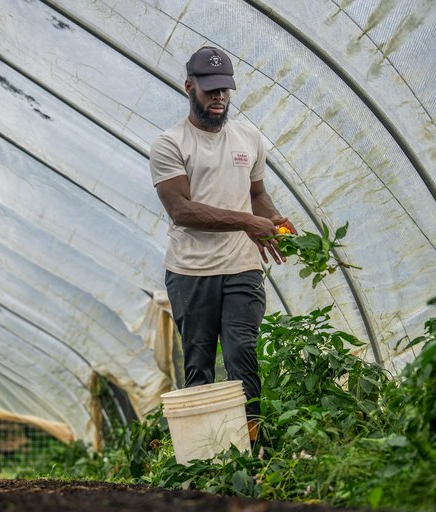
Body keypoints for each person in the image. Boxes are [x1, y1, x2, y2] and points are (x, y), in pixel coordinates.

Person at [149, 46, 296, 443]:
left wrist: (272, 220)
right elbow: (182, 211)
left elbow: (257, 193)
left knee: (241, 353)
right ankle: (205, 456)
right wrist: (247, 221)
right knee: (198, 364)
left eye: (225, 90)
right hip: (190, 270)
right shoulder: (170, 143)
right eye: (209, 90)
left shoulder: (248, 138)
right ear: (189, 87)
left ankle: (254, 450)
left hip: (241, 266)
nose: (218, 98)